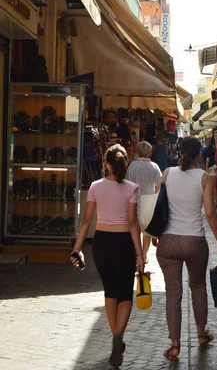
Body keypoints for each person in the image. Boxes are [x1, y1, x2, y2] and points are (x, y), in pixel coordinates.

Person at [71, 144, 144, 369]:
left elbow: (86, 221)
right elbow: (133, 224)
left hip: (101, 244)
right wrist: (140, 254)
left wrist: (77, 248)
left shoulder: (95, 186)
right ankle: (118, 336)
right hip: (123, 244)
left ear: (106, 164)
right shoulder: (132, 188)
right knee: (126, 295)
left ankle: (116, 338)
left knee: (110, 292)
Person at [156, 136, 217, 362]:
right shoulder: (204, 178)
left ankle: (175, 345)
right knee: (197, 286)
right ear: (199, 155)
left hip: (168, 241)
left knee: (173, 292)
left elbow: (156, 206)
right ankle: (201, 334)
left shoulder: (166, 173)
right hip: (194, 241)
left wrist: (152, 235)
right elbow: (209, 212)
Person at [126, 140, 162, 263]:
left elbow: (127, 184)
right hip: (149, 202)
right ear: (149, 153)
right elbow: (159, 184)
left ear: (138, 152)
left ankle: (137, 254)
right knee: (146, 231)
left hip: (134, 202)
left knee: (134, 228)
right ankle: (144, 255)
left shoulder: (132, 166)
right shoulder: (154, 167)